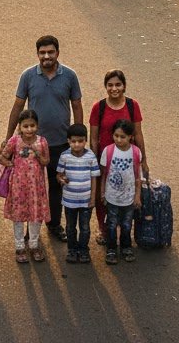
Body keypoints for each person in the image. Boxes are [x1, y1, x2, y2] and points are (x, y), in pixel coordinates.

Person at [5, 36, 83, 242]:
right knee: (29, 189)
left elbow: (76, 106)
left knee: (56, 186)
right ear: (37, 54)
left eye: (50, 52)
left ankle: (54, 224)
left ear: (58, 53)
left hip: (60, 144)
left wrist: (79, 138)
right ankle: (31, 231)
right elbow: (17, 106)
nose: (46, 56)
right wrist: (8, 137)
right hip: (31, 146)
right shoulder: (28, 76)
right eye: (42, 52)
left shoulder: (70, 76)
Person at [89, 70, 149, 244]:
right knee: (102, 195)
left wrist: (144, 160)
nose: (114, 89)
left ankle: (123, 229)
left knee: (127, 191)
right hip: (105, 159)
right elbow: (94, 137)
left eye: (118, 85)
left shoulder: (132, 105)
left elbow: (138, 134)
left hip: (128, 159)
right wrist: (94, 161)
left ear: (124, 86)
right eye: (110, 85)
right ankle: (103, 228)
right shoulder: (98, 107)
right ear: (105, 86)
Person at [0, 109, 51, 264]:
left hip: (36, 187)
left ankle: (34, 244)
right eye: (25, 126)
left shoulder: (42, 142)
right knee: (19, 216)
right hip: (18, 186)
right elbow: (1, 158)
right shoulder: (14, 141)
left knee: (36, 215)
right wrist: (12, 165)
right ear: (20, 127)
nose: (29, 129)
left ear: (37, 126)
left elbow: (46, 161)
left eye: (32, 126)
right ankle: (19, 246)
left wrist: (38, 153)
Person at [99, 120, 143, 265]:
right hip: (111, 197)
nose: (118, 139)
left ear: (130, 137)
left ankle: (126, 247)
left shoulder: (135, 152)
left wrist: (137, 196)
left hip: (129, 198)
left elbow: (138, 177)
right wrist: (102, 193)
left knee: (126, 224)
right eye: (116, 136)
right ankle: (111, 249)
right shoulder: (108, 151)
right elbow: (104, 175)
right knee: (111, 225)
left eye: (122, 137)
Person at [56, 123, 100, 264]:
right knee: (70, 227)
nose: (77, 144)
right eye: (73, 141)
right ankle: (72, 250)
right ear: (68, 141)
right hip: (69, 201)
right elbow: (59, 174)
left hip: (86, 201)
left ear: (85, 140)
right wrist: (61, 179)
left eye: (80, 141)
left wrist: (93, 198)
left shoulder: (91, 156)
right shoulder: (64, 156)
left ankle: (83, 250)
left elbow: (94, 178)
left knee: (85, 227)